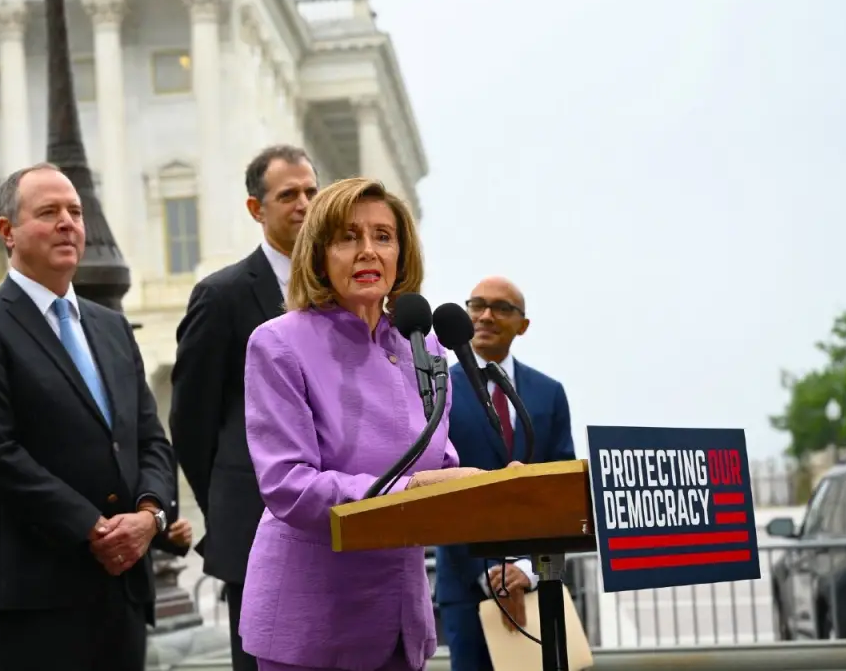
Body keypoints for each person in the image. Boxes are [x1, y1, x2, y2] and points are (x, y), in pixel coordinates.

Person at [239, 177, 513, 671]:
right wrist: (420, 486)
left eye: (383, 237)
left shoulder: (423, 346)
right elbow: (289, 487)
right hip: (314, 623)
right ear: (320, 253)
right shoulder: (278, 343)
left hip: (400, 622)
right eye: (349, 237)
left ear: (401, 253)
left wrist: (494, 492)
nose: (369, 251)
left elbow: (439, 460)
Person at [0, 162, 178, 671]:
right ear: (7, 231)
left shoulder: (112, 327)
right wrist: (93, 528)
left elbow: (150, 439)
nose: (69, 222)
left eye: (76, 211)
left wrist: (149, 516)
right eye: (48, 212)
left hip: (121, 590)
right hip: (33, 595)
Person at [170, 144, 317, 671]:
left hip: (335, 530)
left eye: (310, 192)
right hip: (254, 534)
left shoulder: (341, 295)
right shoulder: (223, 295)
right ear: (257, 209)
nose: (303, 204)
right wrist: (226, 508)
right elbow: (191, 422)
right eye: (288, 195)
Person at [434, 276, 575, 671]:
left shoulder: (549, 392)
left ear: (523, 325)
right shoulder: (438, 390)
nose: (486, 315)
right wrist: (490, 575)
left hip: (536, 585)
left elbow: (561, 490)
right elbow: (435, 489)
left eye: (502, 308)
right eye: (477, 305)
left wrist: (526, 572)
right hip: (466, 588)